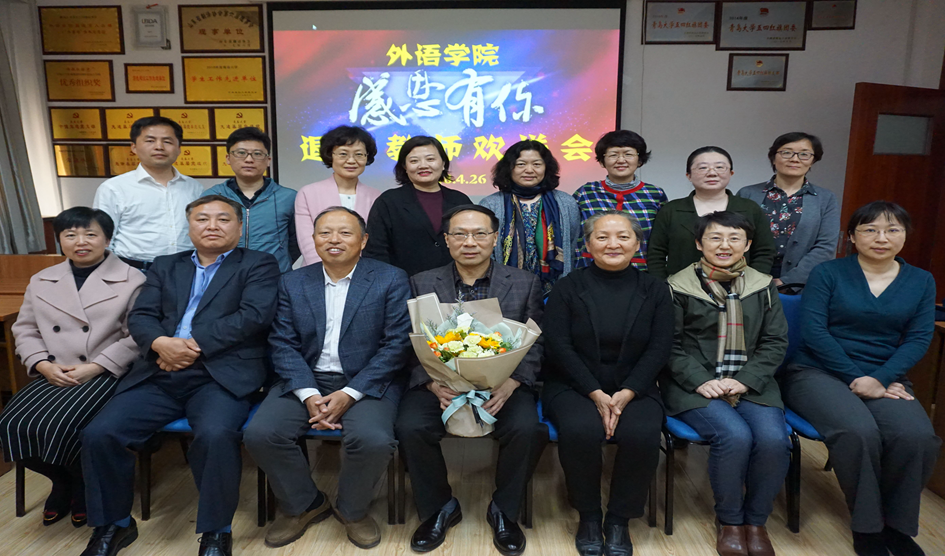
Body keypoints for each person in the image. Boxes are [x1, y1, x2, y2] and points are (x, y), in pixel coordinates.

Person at [79, 196, 279, 556]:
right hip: (159, 371)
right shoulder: (165, 265)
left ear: (239, 227)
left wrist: (189, 347)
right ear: (189, 227)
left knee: (215, 435)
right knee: (100, 433)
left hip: (220, 375)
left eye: (223, 219)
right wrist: (160, 343)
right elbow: (142, 315)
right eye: (202, 219)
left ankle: (216, 531)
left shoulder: (259, 264)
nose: (212, 225)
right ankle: (114, 524)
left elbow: (254, 316)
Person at [244, 206, 413, 550]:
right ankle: (305, 504)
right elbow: (282, 342)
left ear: (363, 241)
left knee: (373, 440)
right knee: (262, 434)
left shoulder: (391, 278)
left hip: (367, 381)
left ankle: (353, 511)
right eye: (325, 232)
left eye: (345, 233)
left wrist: (350, 393)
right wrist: (308, 393)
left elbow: (397, 345)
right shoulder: (292, 281)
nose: (334, 239)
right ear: (314, 239)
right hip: (306, 378)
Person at [782, 201, 940, 556]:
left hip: (885, 376)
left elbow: (918, 338)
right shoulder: (828, 272)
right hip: (817, 370)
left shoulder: (921, 280)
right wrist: (858, 377)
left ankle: (897, 527)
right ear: (852, 236)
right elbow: (814, 332)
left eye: (892, 230)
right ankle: (867, 527)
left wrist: (880, 378)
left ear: (905, 236)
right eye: (870, 230)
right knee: (857, 431)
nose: (881, 238)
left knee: (916, 436)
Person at [396, 205, 546, 556]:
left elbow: (538, 341)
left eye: (480, 234)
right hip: (440, 383)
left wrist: (515, 381)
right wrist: (431, 383)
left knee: (526, 428)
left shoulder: (524, 282)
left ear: (494, 238)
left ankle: (504, 510)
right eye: (460, 234)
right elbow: (410, 340)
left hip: (503, 383)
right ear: (447, 240)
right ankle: (440, 507)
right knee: (410, 426)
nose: (470, 242)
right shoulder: (421, 282)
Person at [0, 208, 145, 528]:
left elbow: (138, 336)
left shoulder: (132, 279)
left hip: (106, 372)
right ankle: (64, 479)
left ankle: (80, 483)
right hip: (54, 370)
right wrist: (41, 364)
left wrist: (96, 367)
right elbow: (25, 329)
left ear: (107, 239)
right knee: (10, 424)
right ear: (59, 240)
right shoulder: (42, 279)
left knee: (60, 424)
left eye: (91, 234)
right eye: (70, 235)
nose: (81, 242)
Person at [541, 211, 673, 556]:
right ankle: (588, 515)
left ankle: (618, 519)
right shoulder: (568, 287)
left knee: (642, 432)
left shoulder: (656, 289)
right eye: (602, 237)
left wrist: (628, 391)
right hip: (574, 382)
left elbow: (660, 346)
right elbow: (558, 345)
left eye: (623, 236)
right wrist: (595, 392)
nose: (613, 244)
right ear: (587, 245)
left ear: (637, 244)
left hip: (635, 384)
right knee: (580, 430)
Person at [661, 211, 789, 556]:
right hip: (693, 384)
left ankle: (756, 522)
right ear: (699, 243)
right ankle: (730, 521)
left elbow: (775, 341)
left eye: (734, 238)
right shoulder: (677, 286)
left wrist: (745, 380)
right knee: (734, 436)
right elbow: (668, 345)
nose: (724, 245)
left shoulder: (763, 286)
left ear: (747, 244)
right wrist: (701, 380)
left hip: (752, 381)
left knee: (774, 440)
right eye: (715, 237)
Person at [93, 116, 204, 271]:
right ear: (134, 147)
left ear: (179, 148)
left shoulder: (194, 187)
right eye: (150, 141)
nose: (159, 147)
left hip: (186, 269)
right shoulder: (114, 188)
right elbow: (103, 237)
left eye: (167, 141)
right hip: (134, 270)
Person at [647, 147, 775, 280]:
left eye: (720, 167)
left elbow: (764, 251)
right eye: (703, 168)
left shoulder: (749, 208)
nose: (712, 173)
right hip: (681, 287)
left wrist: (753, 283)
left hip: (741, 287)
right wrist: (663, 286)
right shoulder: (671, 210)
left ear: (731, 173)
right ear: (688, 175)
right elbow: (656, 254)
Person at [737, 132, 840, 286]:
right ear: (773, 158)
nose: (795, 159)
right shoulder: (748, 194)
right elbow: (733, 237)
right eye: (786, 152)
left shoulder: (825, 198)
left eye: (804, 154)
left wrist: (788, 281)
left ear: (813, 160)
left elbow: (826, 246)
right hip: (748, 279)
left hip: (802, 283)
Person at [480, 140, 581, 296]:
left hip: (555, 290)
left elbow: (572, 242)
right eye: (521, 164)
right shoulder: (491, 204)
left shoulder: (565, 202)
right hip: (505, 290)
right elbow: (486, 249)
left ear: (547, 168)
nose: (529, 170)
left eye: (537, 164)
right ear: (509, 168)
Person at [364, 136, 471, 276]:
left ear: (443, 163)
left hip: (455, 282)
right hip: (404, 283)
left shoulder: (460, 200)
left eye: (430, 159)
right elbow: (376, 251)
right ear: (405, 167)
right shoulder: (388, 201)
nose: (423, 165)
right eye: (414, 161)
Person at [202, 127, 299, 273]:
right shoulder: (212, 197)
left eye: (257, 154)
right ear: (228, 158)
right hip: (224, 275)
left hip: (273, 276)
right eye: (241, 153)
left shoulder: (288, 197)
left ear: (268, 160)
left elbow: (297, 241)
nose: (249, 159)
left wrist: (278, 262)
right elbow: (203, 238)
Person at [572, 131, 667, 271]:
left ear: (639, 160)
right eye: (613, 155)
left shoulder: (655, 194)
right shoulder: (586, 193)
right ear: (602, 161)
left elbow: (661, 240)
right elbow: (571, 235)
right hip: (589, 270)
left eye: (628, 154)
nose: (621, 160)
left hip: (641, 272)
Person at [295, 125, 382, 265]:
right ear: (330, 156)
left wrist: (359, 272)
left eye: (359, 154)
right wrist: (327, 271)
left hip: (364, 271)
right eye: (343, 154)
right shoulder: (308, 193)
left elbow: (375, 243)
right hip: (316, 270)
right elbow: (307, 242)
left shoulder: (376, 196)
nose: (351, 160)